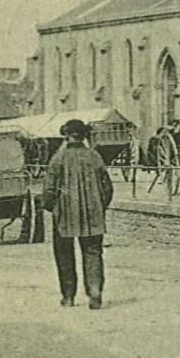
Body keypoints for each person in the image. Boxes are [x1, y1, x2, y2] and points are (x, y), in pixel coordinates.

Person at [42, 120, 112, 309]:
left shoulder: (58, 158)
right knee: (93, 252)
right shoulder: (95, 156)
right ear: (84, 135)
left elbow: (49, 190)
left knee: (64, 254)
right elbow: (107, 187)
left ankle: (68, 296)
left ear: (66, 135)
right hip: (93, 214)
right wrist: (100, 207)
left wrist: (50, 207)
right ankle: (95, 291)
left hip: (65, 215)